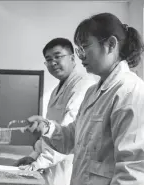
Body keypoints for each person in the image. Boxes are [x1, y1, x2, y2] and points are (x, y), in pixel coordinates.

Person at [25, 13, 144, 185]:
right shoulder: (94, 92)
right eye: (79, 49)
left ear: (110, 45)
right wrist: (47, 127)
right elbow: (72, 139)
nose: (81, 55)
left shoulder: (133, 94)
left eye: (84, 47)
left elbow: (132, 176)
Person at [15, 38, 96, 185]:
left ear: (72, 58)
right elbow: (50, 133)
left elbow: (68, 136)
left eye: (58, 57)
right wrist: (33, 156)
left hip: (68, 168)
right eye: (48, 59)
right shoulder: (55, 91)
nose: (53, 63)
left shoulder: (83, 86)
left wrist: (37, 164)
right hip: (51, 167)